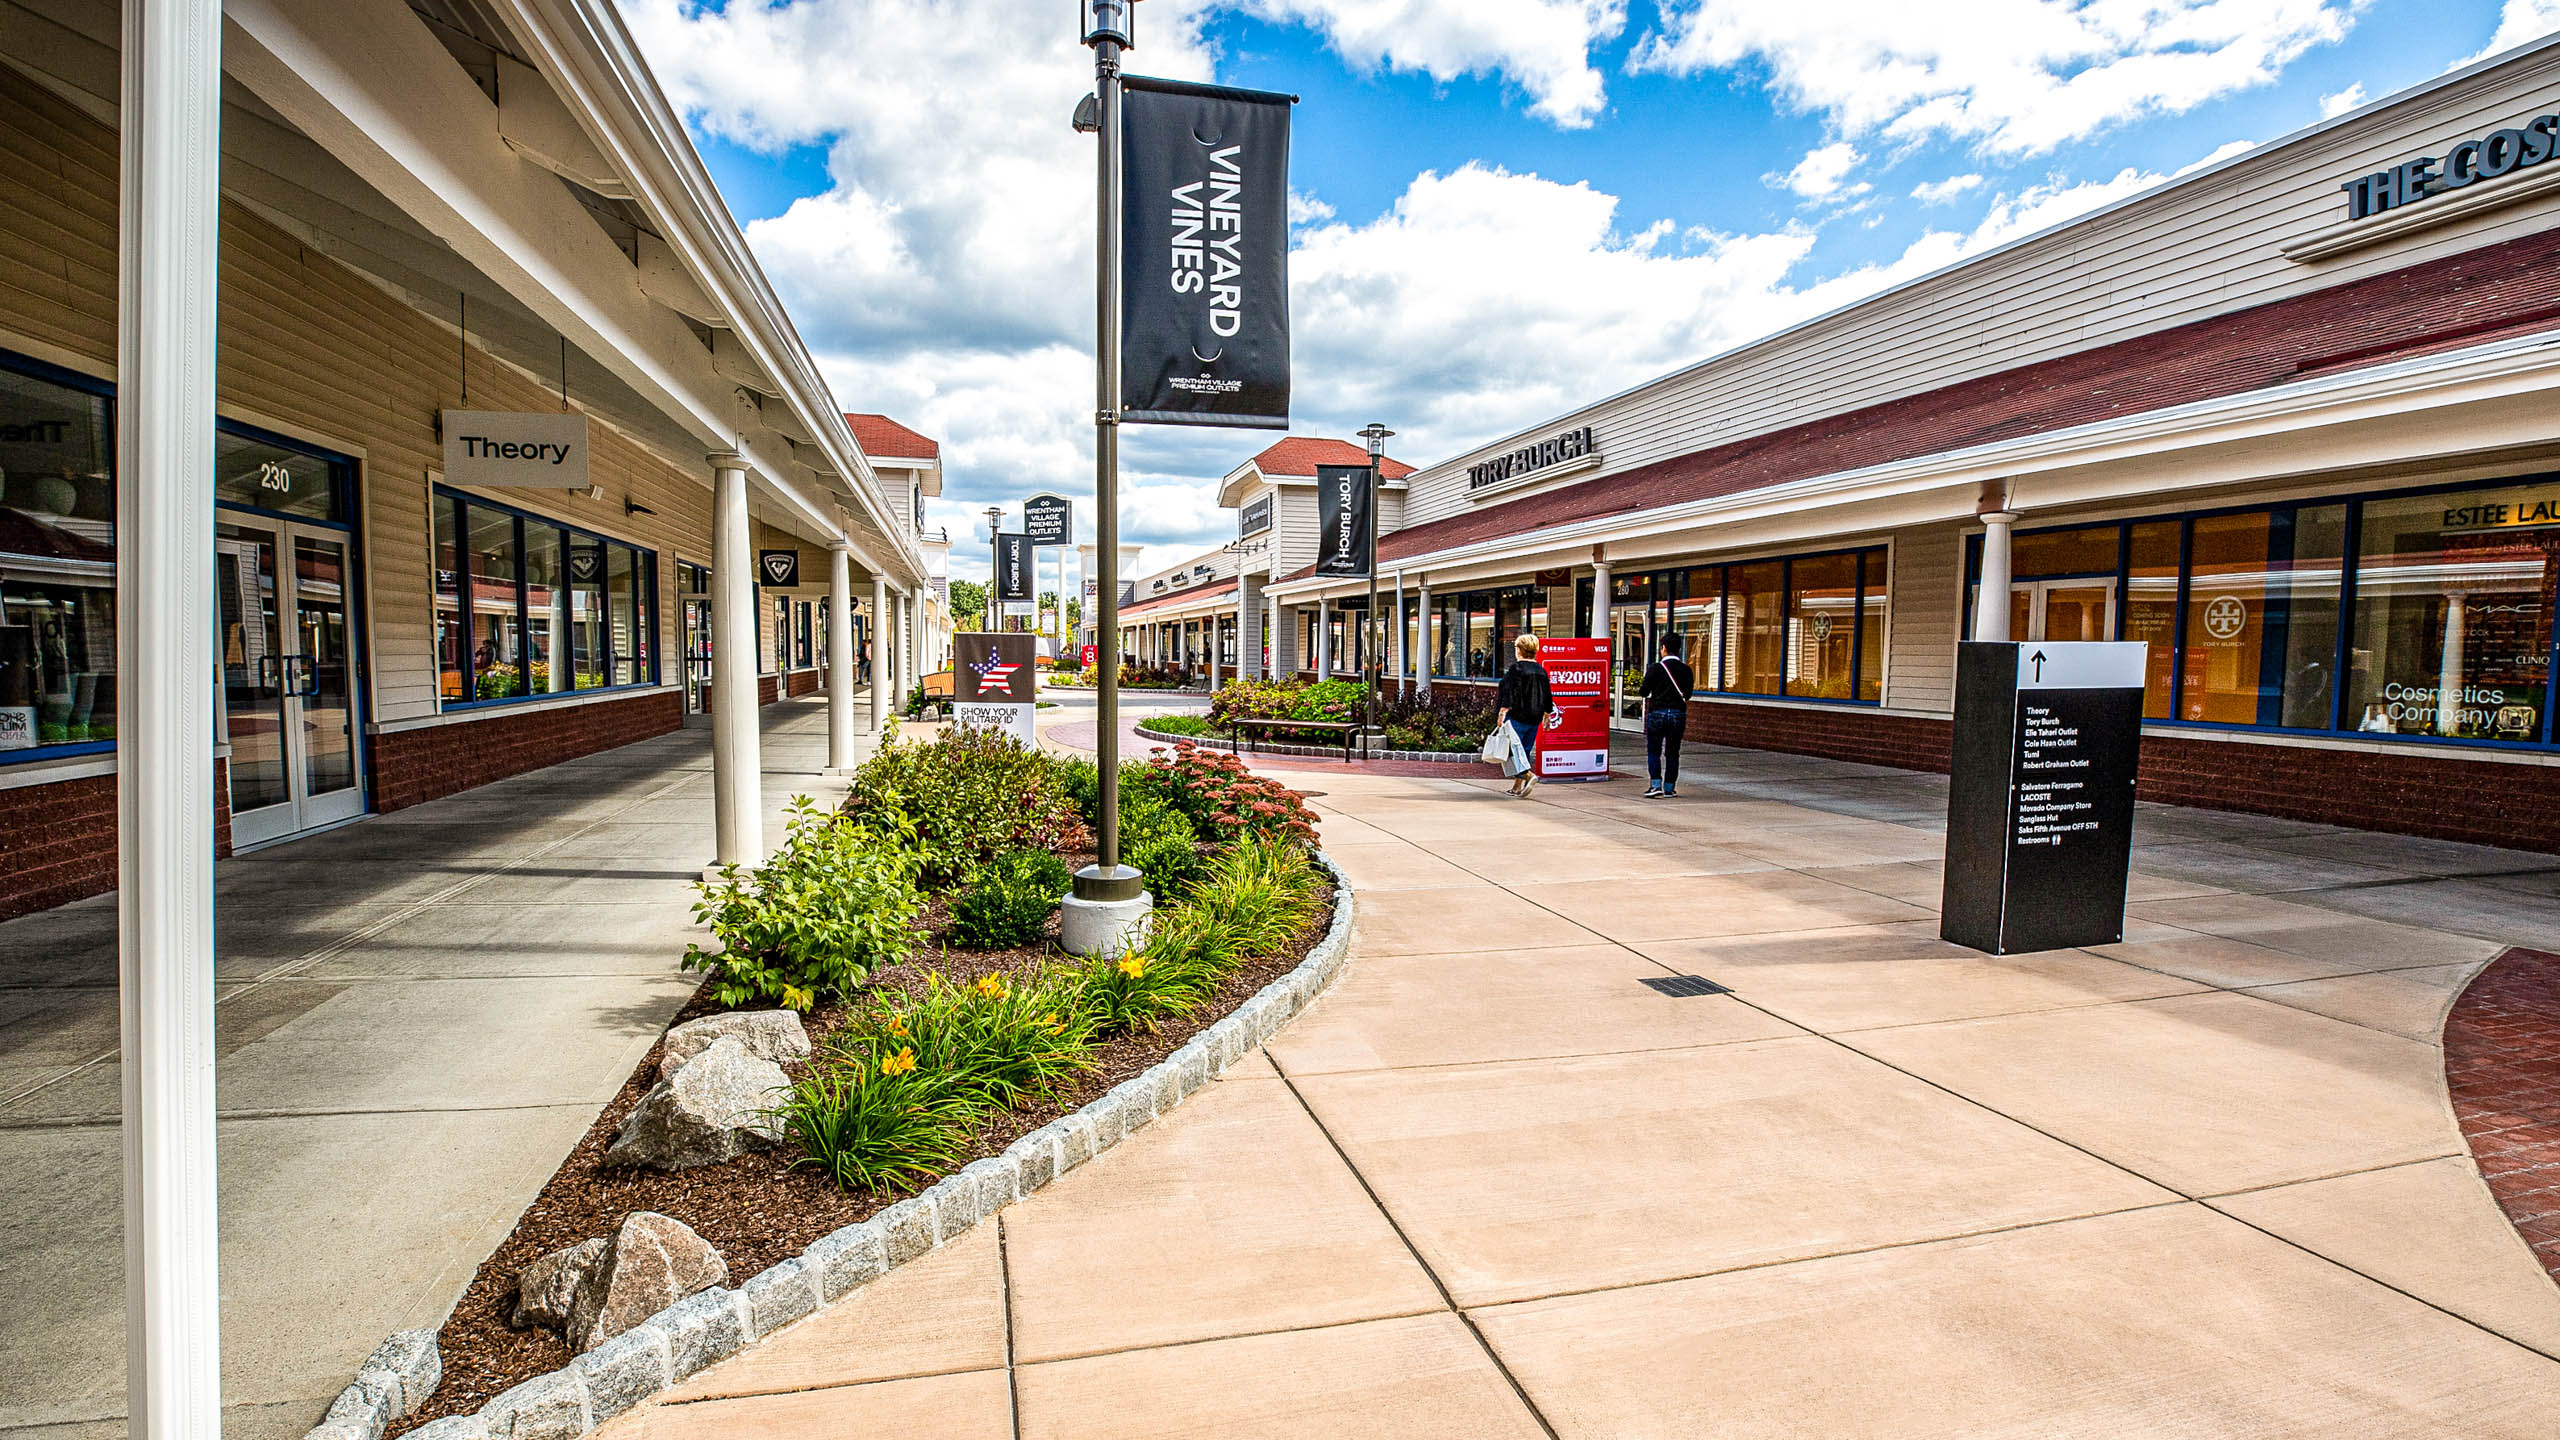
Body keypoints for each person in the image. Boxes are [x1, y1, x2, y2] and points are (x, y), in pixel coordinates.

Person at [1493, 632, 1552, 798]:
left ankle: (1528, 775)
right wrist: (1546, 716)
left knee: (1512, 751)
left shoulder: (1516, 669)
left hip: (1517, 716)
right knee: (1524, 750)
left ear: (1520, 650)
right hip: (1535, 718)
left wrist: (1502, 712)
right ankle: (1518, 786)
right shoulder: (1541, 670)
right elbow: (1547, 694)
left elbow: (1509, 692)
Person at [1638, 633, 1694, 798]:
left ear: (1663, 648)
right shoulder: (1686, 670)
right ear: (1679, 649)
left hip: (1657, 712)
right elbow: (1688, 694)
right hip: (1678, 713)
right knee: (1672, 751)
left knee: (1654, 750)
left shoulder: (1655, 668)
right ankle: (1669, 787)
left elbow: (1644, 691)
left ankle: (1655, 785)